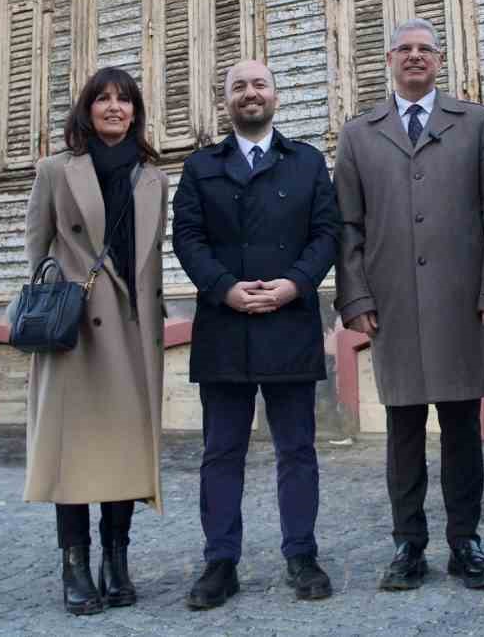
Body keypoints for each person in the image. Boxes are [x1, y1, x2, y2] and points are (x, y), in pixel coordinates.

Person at [334, 19, 484, 592]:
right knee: (403, 431)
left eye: (425, 50)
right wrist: (354, 296)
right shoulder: (359, 134)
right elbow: (347, 224)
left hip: (462, 303)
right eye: (404, 50)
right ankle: (408, 545)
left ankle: (467, 543)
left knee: (461, 430)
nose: (414, 57)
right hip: (392, 306)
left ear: (440, 60)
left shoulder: (477, 124)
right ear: (388, 60)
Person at [172, 59, 341, 609]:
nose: (250, 93)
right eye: (239, 86)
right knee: (222, 451)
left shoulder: (308, 162)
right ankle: (220, 561)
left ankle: (302, 554)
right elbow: (188, 237)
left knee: (297, 449)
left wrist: (295, 285)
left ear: (275, 95)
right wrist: (224, 288)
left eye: (260, 84)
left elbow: (326, 233)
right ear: (226, 101)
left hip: (289, 321)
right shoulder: (201, 167)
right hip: (225, 324)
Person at [23, 66, 168, 617]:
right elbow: (38, 250)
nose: (114, 108)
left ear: (135, 111)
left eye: (124, 99)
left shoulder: (153, 176)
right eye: (103, 99)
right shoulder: (56, 170)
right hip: (78, 332)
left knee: (124, 449)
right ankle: (75, 567)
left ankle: (117, 560)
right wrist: (60, 306)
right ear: (86, 109)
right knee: (74, 451)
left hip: (133, 330)